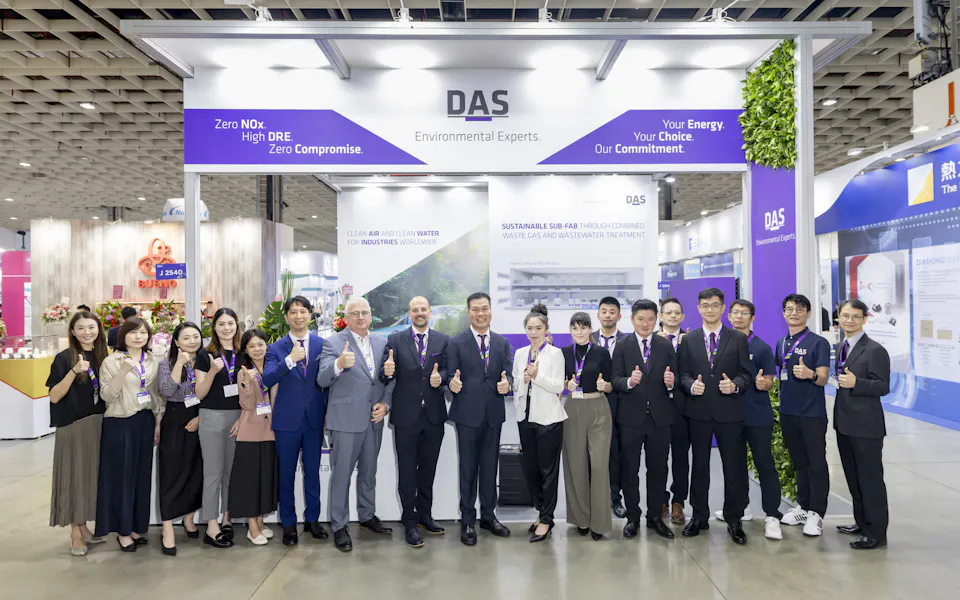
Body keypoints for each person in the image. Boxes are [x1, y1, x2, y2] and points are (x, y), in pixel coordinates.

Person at [318, 297, 395, 552]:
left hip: (374, 418)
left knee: (369, 472)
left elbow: (388, 378)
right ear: (347, 318)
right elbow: (322, 378)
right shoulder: (333, 342)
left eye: (365, 312)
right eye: (355, 313)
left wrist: (385, 404)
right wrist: (339, 365)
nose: (361, 317)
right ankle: (339, 525)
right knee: (341, 475)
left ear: (371, 316)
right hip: (345, 419)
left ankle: (367, 514)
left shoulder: (382, 342)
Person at [678, 287, 752, 545]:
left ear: (723, 309)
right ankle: (699, 516)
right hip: (698, 413)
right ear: (699, 309)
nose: (710, 309)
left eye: (715, 305)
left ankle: (734, 519)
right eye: (705, 305)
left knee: (733, 467)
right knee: (699, 467)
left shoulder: (738, 338)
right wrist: (690, 386)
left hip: (729, 412)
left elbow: (746, 374)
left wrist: (735, 385)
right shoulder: (688, 339)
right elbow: (682, 374)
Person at [379, 297, 450, 549]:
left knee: (428, 470)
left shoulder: (443, 340)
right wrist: (387, 370)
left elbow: (449, 372)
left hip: (433, 416)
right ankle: (409, 521)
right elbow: (384, 372)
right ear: (409, 313)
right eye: (414, 310)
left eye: (423, 309)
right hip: (406, 417)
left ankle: (425, 515)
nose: (419, 313)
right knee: (407, 471)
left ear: (429, 312)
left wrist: (440, 378)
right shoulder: (396, 340)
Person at [448, 292, 513, 546]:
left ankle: (488, 515)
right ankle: (467, 520)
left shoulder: (501, 343)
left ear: (490, 311)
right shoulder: (456, 342)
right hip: (466, 414)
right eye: (475, 309)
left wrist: (508, 383)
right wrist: (450, 383)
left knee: (489, 468)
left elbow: (509, 375)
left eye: (484, 308)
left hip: (493, 414)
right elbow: (449, 375)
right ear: (469, 312)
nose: (480, 313)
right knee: (468, 469)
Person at [262, 296, 327, 546]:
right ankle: (288, 524)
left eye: (303, 311)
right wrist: (290, 359)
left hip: (313, 421)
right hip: (287, 422)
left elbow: (328, 381)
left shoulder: (323, 345)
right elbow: (267, 379)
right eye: (293, 312)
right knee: (286, 475)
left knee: (312, 473)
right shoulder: (276, 348)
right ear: (287, 317)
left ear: (310, 315)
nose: (298, 316)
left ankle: (313, 520)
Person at [94, 317, 162, 551]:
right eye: (133, 332)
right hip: (120, 423)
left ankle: (136, 527)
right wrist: (123, 371)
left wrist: (158, 423)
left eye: (143, 332)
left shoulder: (153, 360)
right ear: (123, 336)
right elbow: (107, 396)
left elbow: (157, 395)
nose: (138, 337)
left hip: (145, 420)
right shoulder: (111, 362)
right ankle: (122, 532)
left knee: (142, 476)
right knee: (123, 478)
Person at [612, 299, 678, 541]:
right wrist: (629, 382)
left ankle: (654, 517)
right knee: (630, 470)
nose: (646, 323)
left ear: (657, 319)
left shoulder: (664, 345)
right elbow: (615, 379)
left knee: (658, 470)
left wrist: (672, 383)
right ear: (632, 320)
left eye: (651, 319)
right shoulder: (622, 345)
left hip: (660, 419)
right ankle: (632, 516)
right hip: (631, 418)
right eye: (641, 319)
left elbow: (676, 376)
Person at [47, 311, 109, 556]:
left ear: (98, 329)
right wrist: (73, 372)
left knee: (90, 478)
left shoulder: (104, 356)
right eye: (81, 328)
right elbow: (54, 396)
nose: (86, 332)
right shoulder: (64, 358)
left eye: (91, 327)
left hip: (100, 423)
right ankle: (75, 533)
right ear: (72, 332)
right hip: (73, 425)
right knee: (74, 477)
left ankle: (84, 526)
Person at [722, 300, 783, 540]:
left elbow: (769, 379)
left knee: (764, 464)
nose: (739, 317)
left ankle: (772, 515)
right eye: (735, 313)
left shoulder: (761, 348)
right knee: (734, 467)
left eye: (744, 313)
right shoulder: (723, 344)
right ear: (729, 316)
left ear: (752, 318)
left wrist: (764, 383)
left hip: (757, 415)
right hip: (730, 416)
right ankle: (740, 509)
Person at [833, 299, 890, 550]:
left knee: (870, 480)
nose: (850, 320)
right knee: (853, 478)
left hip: (866, 427)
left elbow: (883, 386)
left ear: (865, 319)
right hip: (844, 424)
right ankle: (861, 522)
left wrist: (858, 383)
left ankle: (876, 532)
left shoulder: (875, 350)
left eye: (855, 316)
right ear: (839, 317)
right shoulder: (840, 345)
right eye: (845, 316)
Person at [775, 293, 832, 537]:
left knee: (816, 463)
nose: (794, 313)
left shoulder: (818, 343)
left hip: (812, 413)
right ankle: (804, 506)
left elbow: (823, 379)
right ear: (783, 313)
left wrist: (810, 374)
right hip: (788, 412)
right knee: (799, 462)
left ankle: (817, 514)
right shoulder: (781, 343)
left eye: (799, 308)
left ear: (808, 312)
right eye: (789, 309)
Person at [511, 304, 566, 543]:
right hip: (526, 418)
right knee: (531, 470)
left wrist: (536, 376)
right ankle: (542, 512)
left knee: (548, 471)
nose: (534, 332)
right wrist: (523, 380)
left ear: (546, 329)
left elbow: (557, 386)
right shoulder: (520, 353)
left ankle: (546, 518)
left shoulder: (555, 353)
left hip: (549, 420)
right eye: (530, 328)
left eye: (538, 328)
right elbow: (516, 385)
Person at [561, 312, 613, 541]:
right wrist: (566, 384)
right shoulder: (563, 353)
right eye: (575, 328)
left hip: (598, 408)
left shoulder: (602, 352)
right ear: (570, 331)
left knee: (600, 466)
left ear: (590, 329)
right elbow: (557, 383)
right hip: (573, 408)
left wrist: (605, 385)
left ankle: (599, 523)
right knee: (576, 465)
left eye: (583, 328)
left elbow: (612, 384)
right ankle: (581, 518)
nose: (579, 332)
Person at [194, 307, 243, 549]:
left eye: (230, 323)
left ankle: (227, 518)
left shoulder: (244, 352)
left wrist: (243, 418)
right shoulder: (206, 354)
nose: (226, 328)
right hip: (212, 416)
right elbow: (200, 393)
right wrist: (213, 372)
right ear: (214, 327)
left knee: (231, 472)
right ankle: (211, 525)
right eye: (221, 324)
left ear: (237, 325)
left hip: (238, 418)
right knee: (213, 472)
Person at [156, 322, 205, 556]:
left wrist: (200, 418)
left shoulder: (206, 361)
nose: (192, 341)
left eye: (196, 336)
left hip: (201, 416)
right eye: (186, 338)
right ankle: (167, 528)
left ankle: (189, 518)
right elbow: (166, 390)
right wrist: (179, 364)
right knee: (171, 472)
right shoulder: (166, 363)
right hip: (176, 418)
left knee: (195, 471)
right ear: (176, 342)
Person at [229, 329, 280, 546]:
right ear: (246, 350)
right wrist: (247, 384)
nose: (257, 349)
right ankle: (251, 526)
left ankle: (260, 521)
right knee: (250, 480)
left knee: (265, 477)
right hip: (251, 430)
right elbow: (247, 404)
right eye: (252, 346)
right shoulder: (243, 371)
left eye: (260, 344)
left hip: (272, 429)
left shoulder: (273, 368)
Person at [594, 296, 627, 519]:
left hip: (621, 403)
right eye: (604, 311)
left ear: (619, 316)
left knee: (617, 452)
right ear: (598, 314)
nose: (607, 315)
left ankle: (615, 497)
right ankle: (593, 499)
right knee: (593, 453)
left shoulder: (628, 341)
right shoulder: (587, 339)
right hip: (593, 402)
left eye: (612, 311)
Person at [658, 297, 689, 525]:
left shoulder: (691, 340)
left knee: (680, 459)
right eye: (668, 312)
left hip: (683, 409)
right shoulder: (652, 341)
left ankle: (679, 502)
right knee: (658, 459)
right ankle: (661, 500)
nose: (672, 316)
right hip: (658, 408)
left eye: (677, 312)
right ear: (661, 316)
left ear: (683, 316)